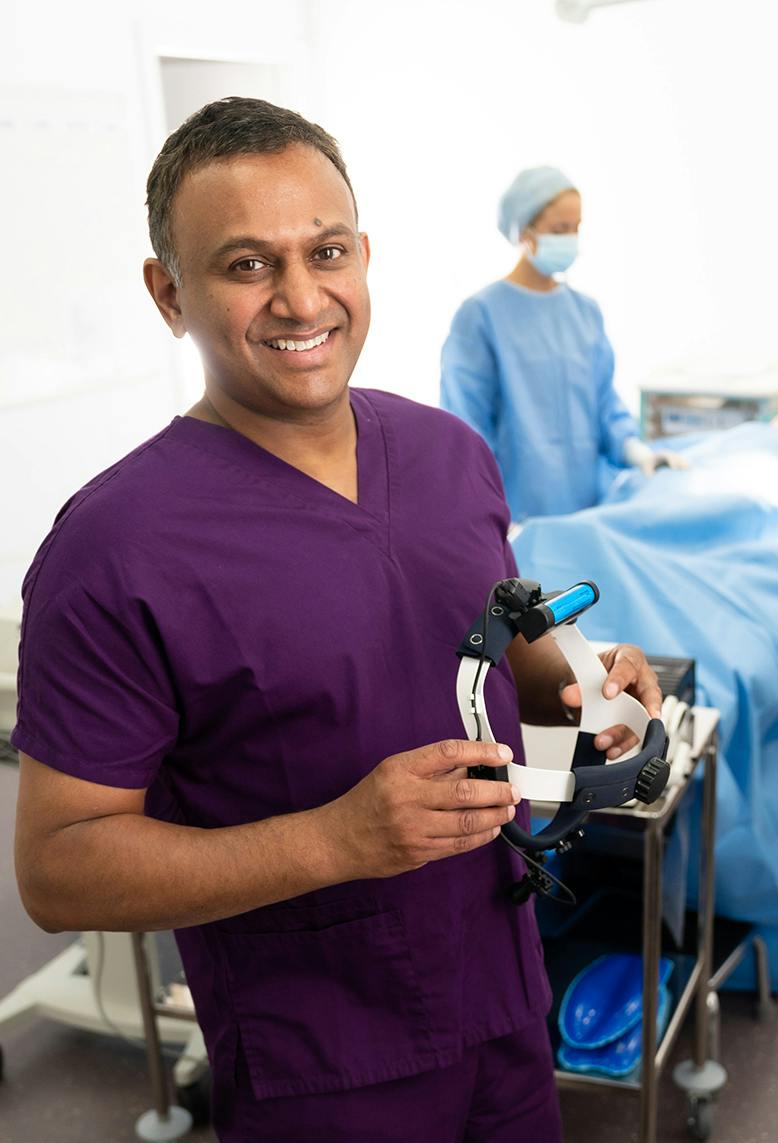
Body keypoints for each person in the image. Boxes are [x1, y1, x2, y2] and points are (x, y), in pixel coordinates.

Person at [11, 99, 663, 1142]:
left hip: (503, 996)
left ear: (363, 255)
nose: (300, 296)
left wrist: (585, 686)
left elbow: (492, 653)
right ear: (167, 294)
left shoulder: (450, 457)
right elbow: (56, 867)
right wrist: (333, 840)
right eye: (245, 265)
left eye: (324, 251)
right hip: (323, 1056)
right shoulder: (115, 550)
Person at [440, 165, 684, 522]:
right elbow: (466, 428)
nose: (569, 238)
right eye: (559, 230)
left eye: (576, 228)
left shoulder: (585, 312)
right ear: (524, 232)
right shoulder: (480, 316)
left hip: (586, 512)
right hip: (517, 517)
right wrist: (486, 510)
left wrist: (636, 450)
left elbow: (603, 401)